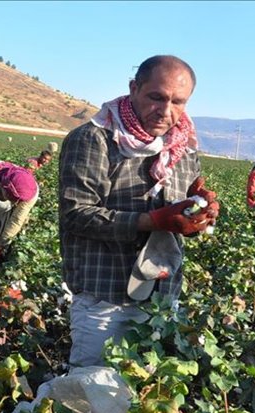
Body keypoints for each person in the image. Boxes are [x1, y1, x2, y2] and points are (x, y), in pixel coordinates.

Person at [58, 55, 220, 367]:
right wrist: (153, 221)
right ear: (134, 88)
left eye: (178, 101)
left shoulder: (183, 147)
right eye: (156, 97)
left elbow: (185, 201)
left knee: (145, 396)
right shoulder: (94, 139)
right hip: (105, 298)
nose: (165, 110)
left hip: (162, 296)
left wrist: (202, 209)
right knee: (91, 396)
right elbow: (76, 214)